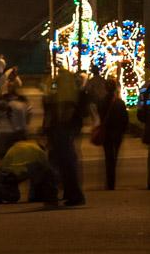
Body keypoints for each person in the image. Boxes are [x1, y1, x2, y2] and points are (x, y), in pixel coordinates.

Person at [43, 68, 86, 206]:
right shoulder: (71, 89)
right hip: (65, 130)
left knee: (62, 162)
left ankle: (69, 194)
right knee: (65, 162)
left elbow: (58, 108)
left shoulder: (60, 90)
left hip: (61, 131)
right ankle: (70, 193)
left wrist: (52, 126)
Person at [0, 139, 58, 205]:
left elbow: (3, 165)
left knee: (13, 195)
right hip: (26, 171)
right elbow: (46, 167)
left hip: (10, 174)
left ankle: (4, 193)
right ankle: (37, 195)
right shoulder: (38, 150)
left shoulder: (13, 147)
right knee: (46, 172)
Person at [99, 78, 129, 190]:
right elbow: (125, 119)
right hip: (117, 133)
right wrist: (123, 130)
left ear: (106, 88)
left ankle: (109, 181)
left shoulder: (101, 101)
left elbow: (100, 115)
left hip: (107, 132)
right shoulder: (120, 103)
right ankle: (111, 181)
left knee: (108, 157)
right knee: (114, 156)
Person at [0, 82, 30, 158]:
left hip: (10, 130)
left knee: (9, 154)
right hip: (11, 130)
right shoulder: (20, 101)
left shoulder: (3, 100)